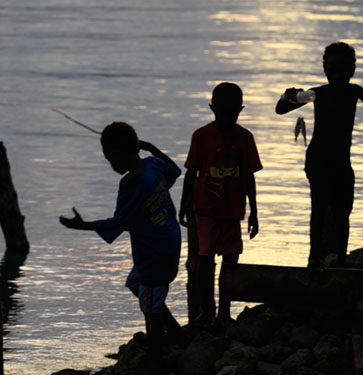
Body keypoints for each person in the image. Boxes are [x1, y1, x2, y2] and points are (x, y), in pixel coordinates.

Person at [59, 122, 182, 373]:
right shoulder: (153, 165)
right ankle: (177, 333)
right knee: (136, 284)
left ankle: (156, 363)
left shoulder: (130, 183)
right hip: (169, 241)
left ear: (118, 155)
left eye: (109, 158)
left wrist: (82, 226)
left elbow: (120, 222)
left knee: (150, 310)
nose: (110, 164)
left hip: (154, 253)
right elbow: (176, 170)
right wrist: (152, 148)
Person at [275, 42, 363, 268]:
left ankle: (340, 258)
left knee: (343, 210)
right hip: (318, 159)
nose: (337, 74)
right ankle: (314, 258)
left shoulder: (353, 91)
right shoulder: (315, 94)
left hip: (340, 161)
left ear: (353, 70)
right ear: (325, 69)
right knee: (319, 208)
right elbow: (280, 110)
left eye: (343, 69)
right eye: (332, 69)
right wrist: (287, 96)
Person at [179, 82, 261, 326]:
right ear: (212, 109)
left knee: (230, 262)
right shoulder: (201, 136)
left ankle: (224, 312)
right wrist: (185, 206)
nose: (227, 117)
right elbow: (191, 173)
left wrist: (254, 212)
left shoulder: (245, 138)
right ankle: (207, 311)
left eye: (232, 112)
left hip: (233, 212)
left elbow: (249, 177)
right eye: (223, 112)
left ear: (240, 110)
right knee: (205, 262)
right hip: (205, 211)